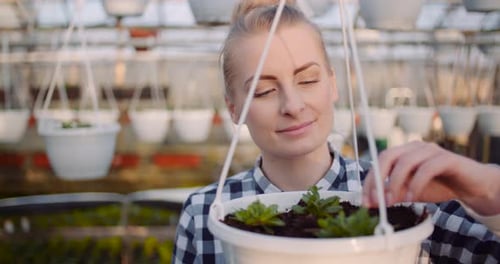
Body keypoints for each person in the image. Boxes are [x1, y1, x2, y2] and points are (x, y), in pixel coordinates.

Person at [172, 1, 500, 263]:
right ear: (234, 109)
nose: (293, 105)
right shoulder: (206, 212)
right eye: (264, 91)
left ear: (332, 84)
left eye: (308, 80)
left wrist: (486, 187)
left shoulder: (396, 197)